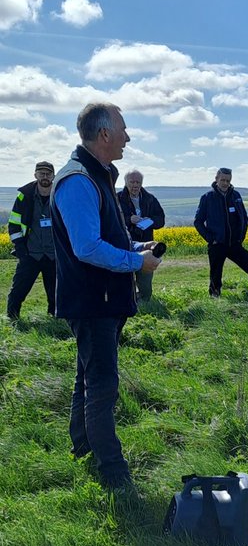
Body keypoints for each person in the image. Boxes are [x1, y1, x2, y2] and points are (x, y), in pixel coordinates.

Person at [50, 103, 161, 490]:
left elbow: (106, 236)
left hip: (101, 300)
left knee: (87, 377)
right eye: (124, 130)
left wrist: (138, 245)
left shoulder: (97, 175)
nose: (128, 137)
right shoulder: (79, 180)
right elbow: (87, 248)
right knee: (102, 385)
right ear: (104, 135)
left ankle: (82, 446)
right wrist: (135, 262)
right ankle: (113, 473)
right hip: (93, 302)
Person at [194, 168, 248, 297]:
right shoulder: (207, 198)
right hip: (217, 244)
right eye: (223, 180)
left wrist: (241, 237)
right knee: (215, 278)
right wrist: (211, 239)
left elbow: (244, 217)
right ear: (216, 179)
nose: (225, 183)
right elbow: (198, 222)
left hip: (234, 244)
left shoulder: (236, 196)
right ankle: (215, 302)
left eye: (228, 180)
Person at [7, 161, 56, 321]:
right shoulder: (24, 196)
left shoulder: (60, 195)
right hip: (30, 254)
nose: (45, 177)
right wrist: (21, 250)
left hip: (53, 255)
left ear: (53, 176)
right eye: (41, 173)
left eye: (48, 174)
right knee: (18, 290)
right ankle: (12, 319)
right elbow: (14, 224)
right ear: (35, 175)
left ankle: (55, 320)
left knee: (56, 292)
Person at [117, 170, 165, 301]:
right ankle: (128, 302)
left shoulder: (150, 199)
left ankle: (145, 301)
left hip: (146, 246)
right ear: (126, 183)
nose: (135, 185)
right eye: (132, 182)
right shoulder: (117, 198)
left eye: (138, 182)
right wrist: (128, 220)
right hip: (124, 245)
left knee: (145, 280)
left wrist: (149, 221)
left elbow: (161, 219)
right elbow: (111, 220)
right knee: (125, 278)